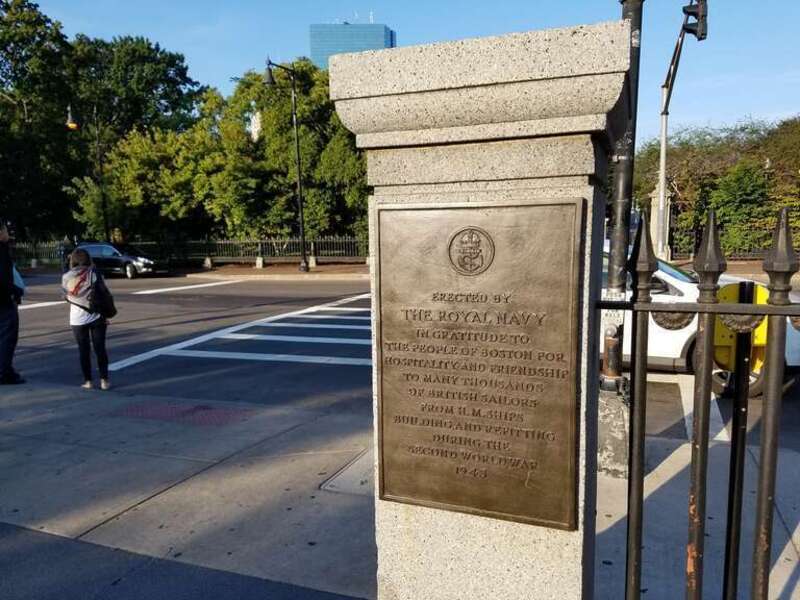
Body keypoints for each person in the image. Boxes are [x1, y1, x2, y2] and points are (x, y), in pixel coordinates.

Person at [63, 248, 112, 390]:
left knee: (83, 351)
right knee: (100, 349)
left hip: (77, 319)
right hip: (96, 316)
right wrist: (105, 315)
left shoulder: (66, 277)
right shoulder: (94, 273)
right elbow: (103, 295)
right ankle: (104, 381)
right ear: (88, 259)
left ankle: (88, 381)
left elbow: (65, 296)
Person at [0, 219, 24, 385]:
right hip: (3, 301)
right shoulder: (1, 250)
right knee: (7, 337)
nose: (7, 232)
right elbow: (3, 278)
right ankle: (4, 372)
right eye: (5, 229)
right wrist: (15, 292)